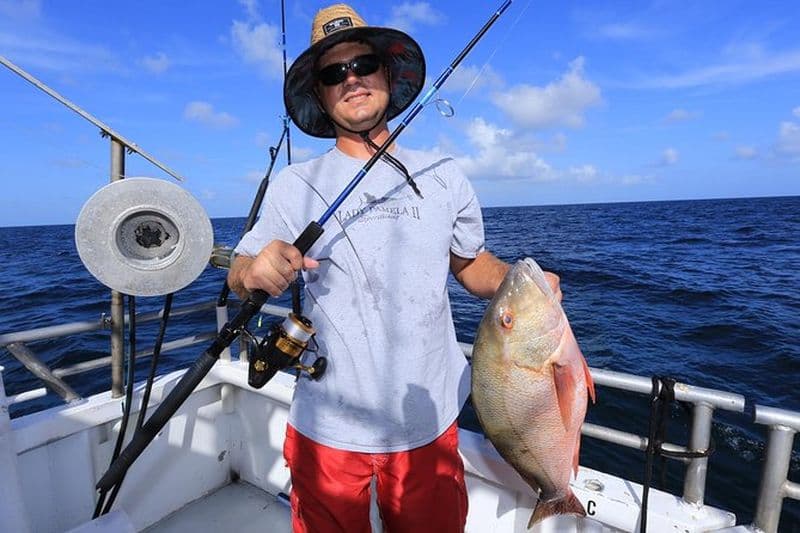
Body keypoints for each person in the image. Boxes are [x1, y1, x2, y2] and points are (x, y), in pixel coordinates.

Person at [227, 4, 560, 532]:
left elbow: (471, 267)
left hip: (427, 422)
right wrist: (253, 270)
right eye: (333, 73)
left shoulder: (444, 173)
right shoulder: (295, 184)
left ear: (387, 73)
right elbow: (240, 270)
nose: (351, 79)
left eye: (362, 64)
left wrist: (527, 287)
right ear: (319, 94)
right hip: (326, 425)